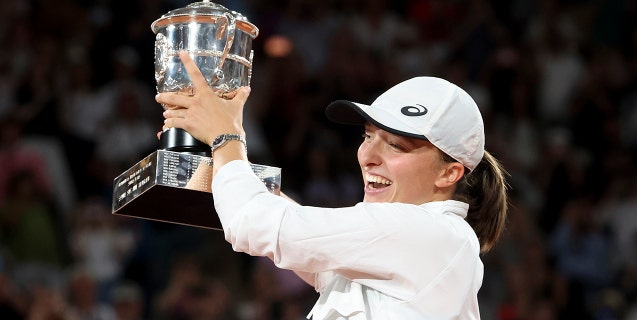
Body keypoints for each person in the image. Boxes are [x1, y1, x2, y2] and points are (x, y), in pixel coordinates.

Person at [157, 51, 509, 319]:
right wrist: (221, 160)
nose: (368, 155)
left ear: (449, 174)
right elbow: (306, 250)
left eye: (396, 146)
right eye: (368, 136)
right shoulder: (400, 247)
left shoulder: (434, 234)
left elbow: (254, 224)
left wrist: (225, 136)